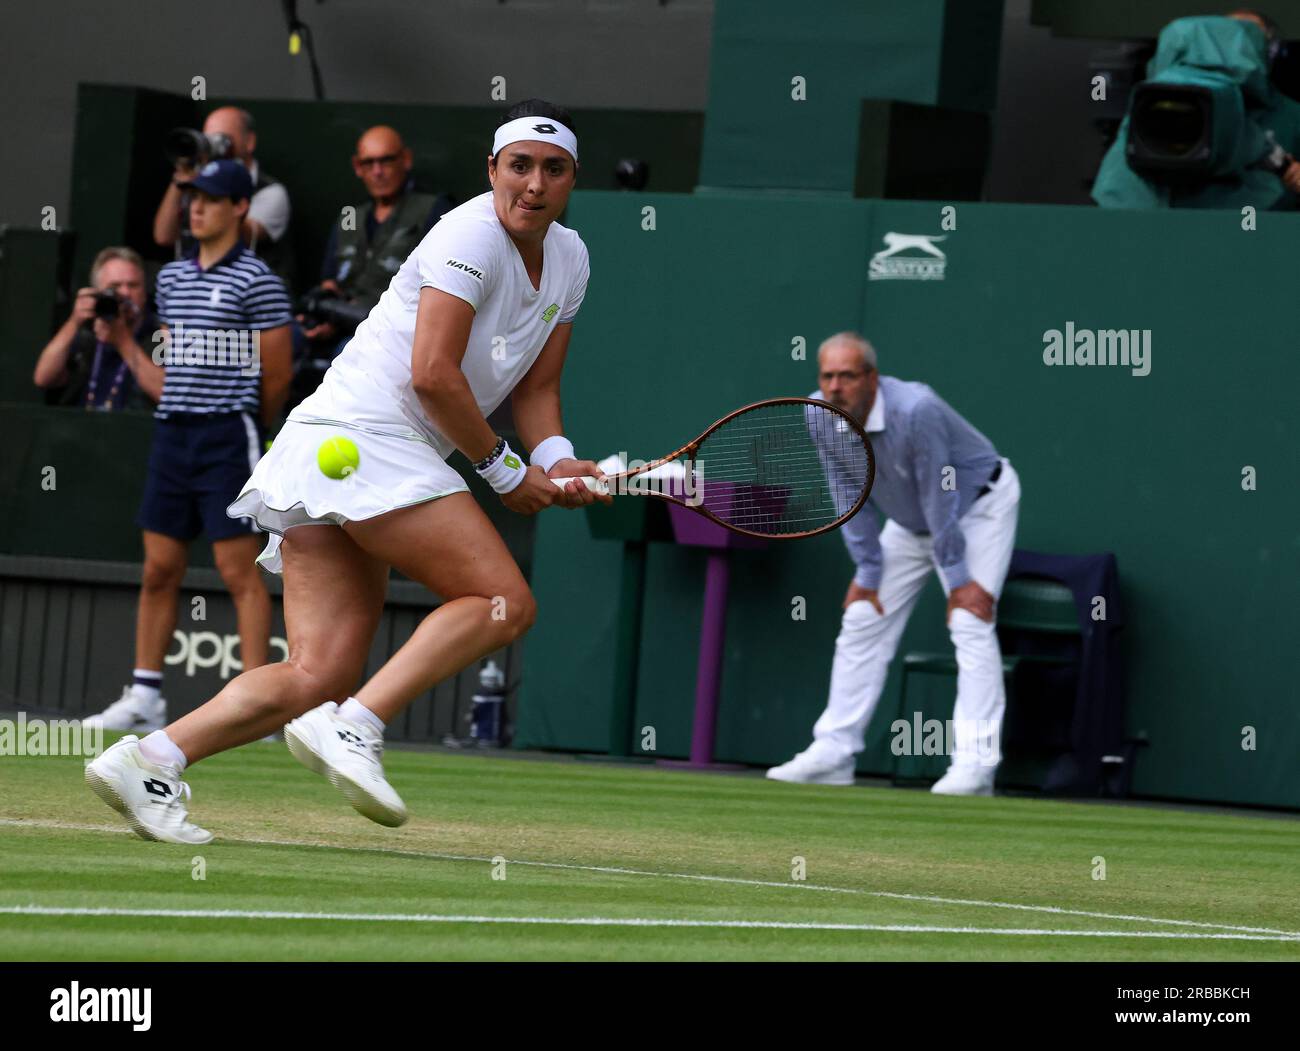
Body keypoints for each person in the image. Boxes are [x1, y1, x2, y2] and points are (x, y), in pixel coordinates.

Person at [85, 99, 609, 844]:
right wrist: (504, 471)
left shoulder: (572, 258)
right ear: (491, 169)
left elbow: (536, 389)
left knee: (318, 669)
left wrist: (556, 461)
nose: (534, 184)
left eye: (552, 170)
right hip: (368, 435)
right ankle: (357, 724)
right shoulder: (469, 234)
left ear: (571, 179)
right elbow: (432, 373)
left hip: (349, 448)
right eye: (518, 165)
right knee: (503, 600)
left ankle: (149, 759)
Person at [81, 160, 294, 737]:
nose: (195, 207)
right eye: (191, 198)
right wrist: (127, 343)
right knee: (159, 568)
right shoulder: (171, 279)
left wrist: (245, 420)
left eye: (210, 198)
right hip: (172, 435)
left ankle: (259, 703)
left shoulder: (259, 281)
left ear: (239, 208)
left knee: (236, 569)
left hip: (229, 434)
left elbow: (277, 373)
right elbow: (168, 372)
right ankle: (146, 694)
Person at [767, 333, 1021, 796]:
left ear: (871, 378)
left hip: (976, 507)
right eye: (827, 376)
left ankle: (975, 767)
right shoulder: (818, 413)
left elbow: (939, 493)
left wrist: (960, 579)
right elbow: (848, 491)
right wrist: (867, 571)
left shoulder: (915, 410)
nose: (835, 387)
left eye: (846, 376)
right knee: (863, 616)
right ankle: (833, 753)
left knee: (970, 620)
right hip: (910, 520)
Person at [304, 124, 454, 352]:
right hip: (341, 323)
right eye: (368, 163)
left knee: (350, 350)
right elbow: (330, 282)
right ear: (357, 166)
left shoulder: (432, 208)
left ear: (405, 159)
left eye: (386, 161)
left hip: (395, 331)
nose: (377, 171)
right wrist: (324, 316)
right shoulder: (350, 217)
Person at [152, 106, 293, 280]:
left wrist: (213, 179)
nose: (213, 146)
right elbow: (164, 236)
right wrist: (183, 176)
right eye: (207, 139)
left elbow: (233, 235)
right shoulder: (195, 180)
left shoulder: (270, 192)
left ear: (249, 142)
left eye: (221, 139)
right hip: (193, 285)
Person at [33, 247, 160, 411]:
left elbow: (165, 393)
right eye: (115, 286)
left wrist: (123, 342)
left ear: (144, 292)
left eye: (133, 285)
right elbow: (43, 378)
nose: (125, 293)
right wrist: (75, 321)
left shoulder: (160, 334)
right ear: (98, 292)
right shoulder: (87, 334)